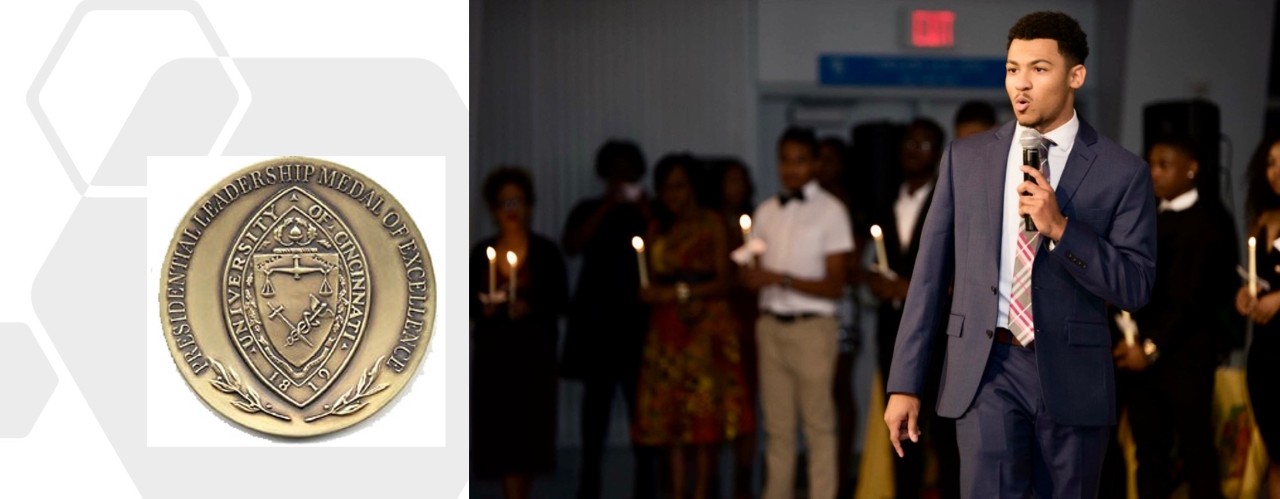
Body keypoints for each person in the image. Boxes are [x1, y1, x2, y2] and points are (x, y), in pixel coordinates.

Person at [883, 11, 1158, 498]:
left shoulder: (1123, 171)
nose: (1021, 84)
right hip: (986, 368)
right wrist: (905, 382)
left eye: (1039, 68)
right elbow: (928, 279)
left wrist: (1062, 229)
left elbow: (1135, 285)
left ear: (1075, 76)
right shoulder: (965, 159)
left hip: (1073, 377)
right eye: (1012, 69)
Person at [1102, 136, 1234, 498]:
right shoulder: (1147, 217)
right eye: (1151, 165)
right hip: (1141, 360)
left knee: (1196, 452)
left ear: (1191, 167)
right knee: (1150, 454)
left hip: (1185, 358)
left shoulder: (1209, 221)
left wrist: (1150, 346)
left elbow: (1191, 300)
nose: (1154, 173)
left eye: (1164, 164)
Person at [632, 154, 755, 499]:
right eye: (666, 188)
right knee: (672, 421)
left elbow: (726, 281)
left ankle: (704, 490)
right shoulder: (658, 227)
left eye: (680, 186)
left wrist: (678, 292)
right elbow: (653, 277)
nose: (674, 195)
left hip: (705, 327)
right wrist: (652, 293)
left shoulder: (711, 222)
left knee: (704, 419)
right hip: (667, 330)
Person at [743, 126, 854, 499]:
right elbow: (752, 272)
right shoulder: (766, 210)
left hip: (813, 328)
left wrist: (781, 278)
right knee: (776, 429)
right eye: (785, 161)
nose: (791, 169)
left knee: (818, 427)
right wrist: (752, 275)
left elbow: (836, 285)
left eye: (800, 160)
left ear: (815, 163)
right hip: (770, 326)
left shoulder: (832, 211)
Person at [867, 117, 959, 498]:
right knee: (900, 429)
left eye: (922, 145)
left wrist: (909, 290)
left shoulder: (949, 198)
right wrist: (876, 282)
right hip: (892, 329)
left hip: (939, 336)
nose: (911, 151)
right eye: (908, 143)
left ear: (937, 154)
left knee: (943, 431)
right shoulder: (887, 197)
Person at [561, 140, 656, 499]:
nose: (622, 176)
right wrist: (607, 206)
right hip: (597, 318)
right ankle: (589, 485)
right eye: (615, 169)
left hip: (638, 320)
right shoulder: (589, 207)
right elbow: (572, 244)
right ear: (604, 173)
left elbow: (663, 247)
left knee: (642, 409)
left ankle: (646, 487)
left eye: (629, 169)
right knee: (594, 411)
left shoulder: (650, 209)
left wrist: (644, 207)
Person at [470, 167, 568, 499]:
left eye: (518, 201)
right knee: (503, 442)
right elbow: (467, 302)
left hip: (534, 361)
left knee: (529, 442)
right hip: (495, 361)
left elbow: (561, 300)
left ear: (530, 205)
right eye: (503, 202)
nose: (511, 209)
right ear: (493, 209)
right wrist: (485, 309)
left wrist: (531, 307)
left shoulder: (546, 252)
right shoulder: (481, 254)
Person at [709, 158, 760, 499]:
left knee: (747, 403)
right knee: (712, 403)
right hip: (715, 323)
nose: (736, 188)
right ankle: (709, 481)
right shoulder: (708, 224)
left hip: (749, 320)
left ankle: (743, 482)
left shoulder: (757, 224)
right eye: (730, 181)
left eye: (741, 181)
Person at [1234, 135, 1280, 499]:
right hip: (1266, 351)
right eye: (1270, 163)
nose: (1276, 172)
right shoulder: (1261, 221)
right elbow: (1254, 278)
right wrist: (1246, 296)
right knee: (1274, 451)